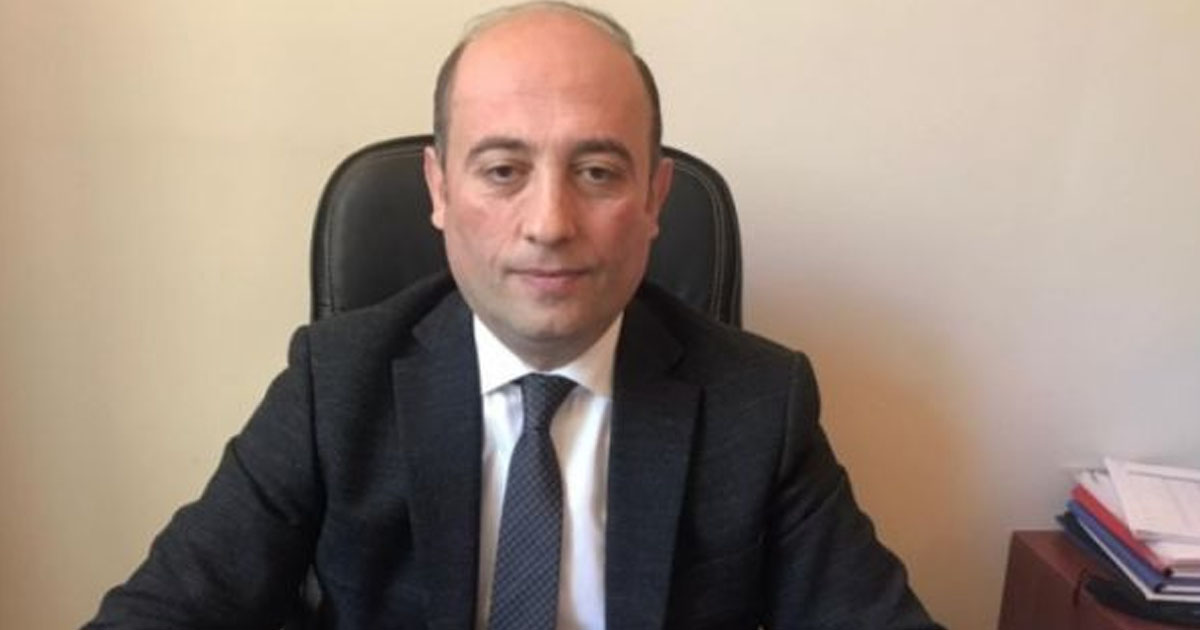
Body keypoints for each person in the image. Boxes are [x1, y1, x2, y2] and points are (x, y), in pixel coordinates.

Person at [86, 3, 943, 629]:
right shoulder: (334, 385)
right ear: (438, 189)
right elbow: (166, 611)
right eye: (502, 170)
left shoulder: (760, 403)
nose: (549, 223)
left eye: (598, 172)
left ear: (654, 198)